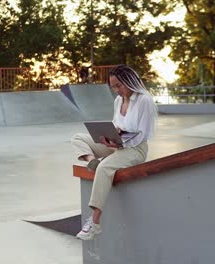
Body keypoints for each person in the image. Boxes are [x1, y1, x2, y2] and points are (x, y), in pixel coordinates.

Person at [71, 64, 157, 240]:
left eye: (119, 85)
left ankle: (94, 223)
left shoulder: (144, 100)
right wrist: (109, 137)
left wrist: (120, 144)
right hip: (115, 145)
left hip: (134, 149)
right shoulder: (118, 101)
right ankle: (90, 161)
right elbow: (116, 125)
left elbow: (144, 134)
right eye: (113, 87)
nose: (116, 90)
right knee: (78, 138)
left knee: (104, 168)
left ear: (129, 81)